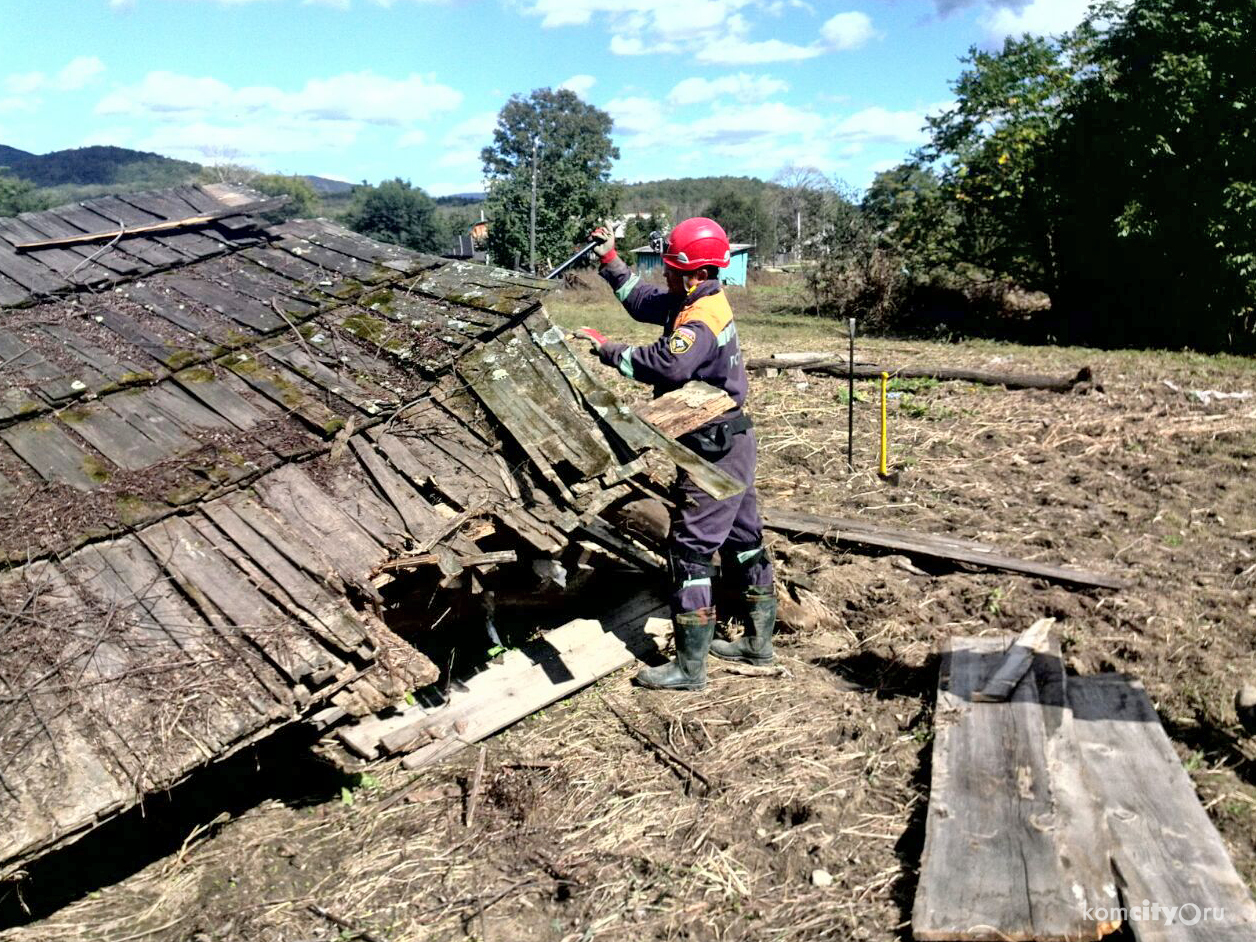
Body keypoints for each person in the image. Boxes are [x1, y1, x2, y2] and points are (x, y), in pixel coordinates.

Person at [572, 218, 776, 691]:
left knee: (690, 551)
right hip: (733, 443)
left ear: (692, 273)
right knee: (744, 539)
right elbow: (644, 302)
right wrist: (610, 260)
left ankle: (689, 668)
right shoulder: (696, 299)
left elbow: (669, 361)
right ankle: (758, 645)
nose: (664, 275)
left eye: (669, 269)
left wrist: (609, 351)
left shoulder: (701, 320)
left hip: (712, 452)